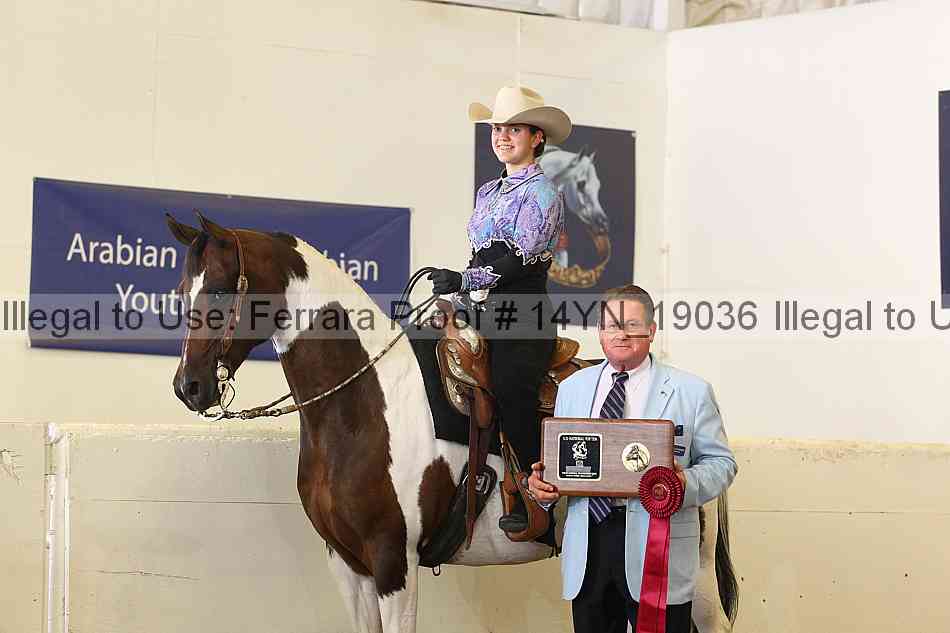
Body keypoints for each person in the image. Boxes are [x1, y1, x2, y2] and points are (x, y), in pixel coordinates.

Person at [528, 284, 737, 633]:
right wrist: (543, 488)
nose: (621, 334)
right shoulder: (571, 389)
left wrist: (682, 483)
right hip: (589, 548)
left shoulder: (692, 391)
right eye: (612, 325)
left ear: (651, 331)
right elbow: (561, 464)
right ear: (600, 331)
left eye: (632, 325)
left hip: (659, 546)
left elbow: (723, 464)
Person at [428, 85, 571, 535]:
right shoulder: (488, 190)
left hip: (524, 311)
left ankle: (534, 492)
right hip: (482, 307)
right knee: (421, 342)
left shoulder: (544, 193)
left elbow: (516, 262)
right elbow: (480, 254)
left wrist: (464, 281)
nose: (502, 136)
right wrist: (458, 295)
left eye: (514, 129)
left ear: (537, 137)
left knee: (511, 389)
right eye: (496, 128)